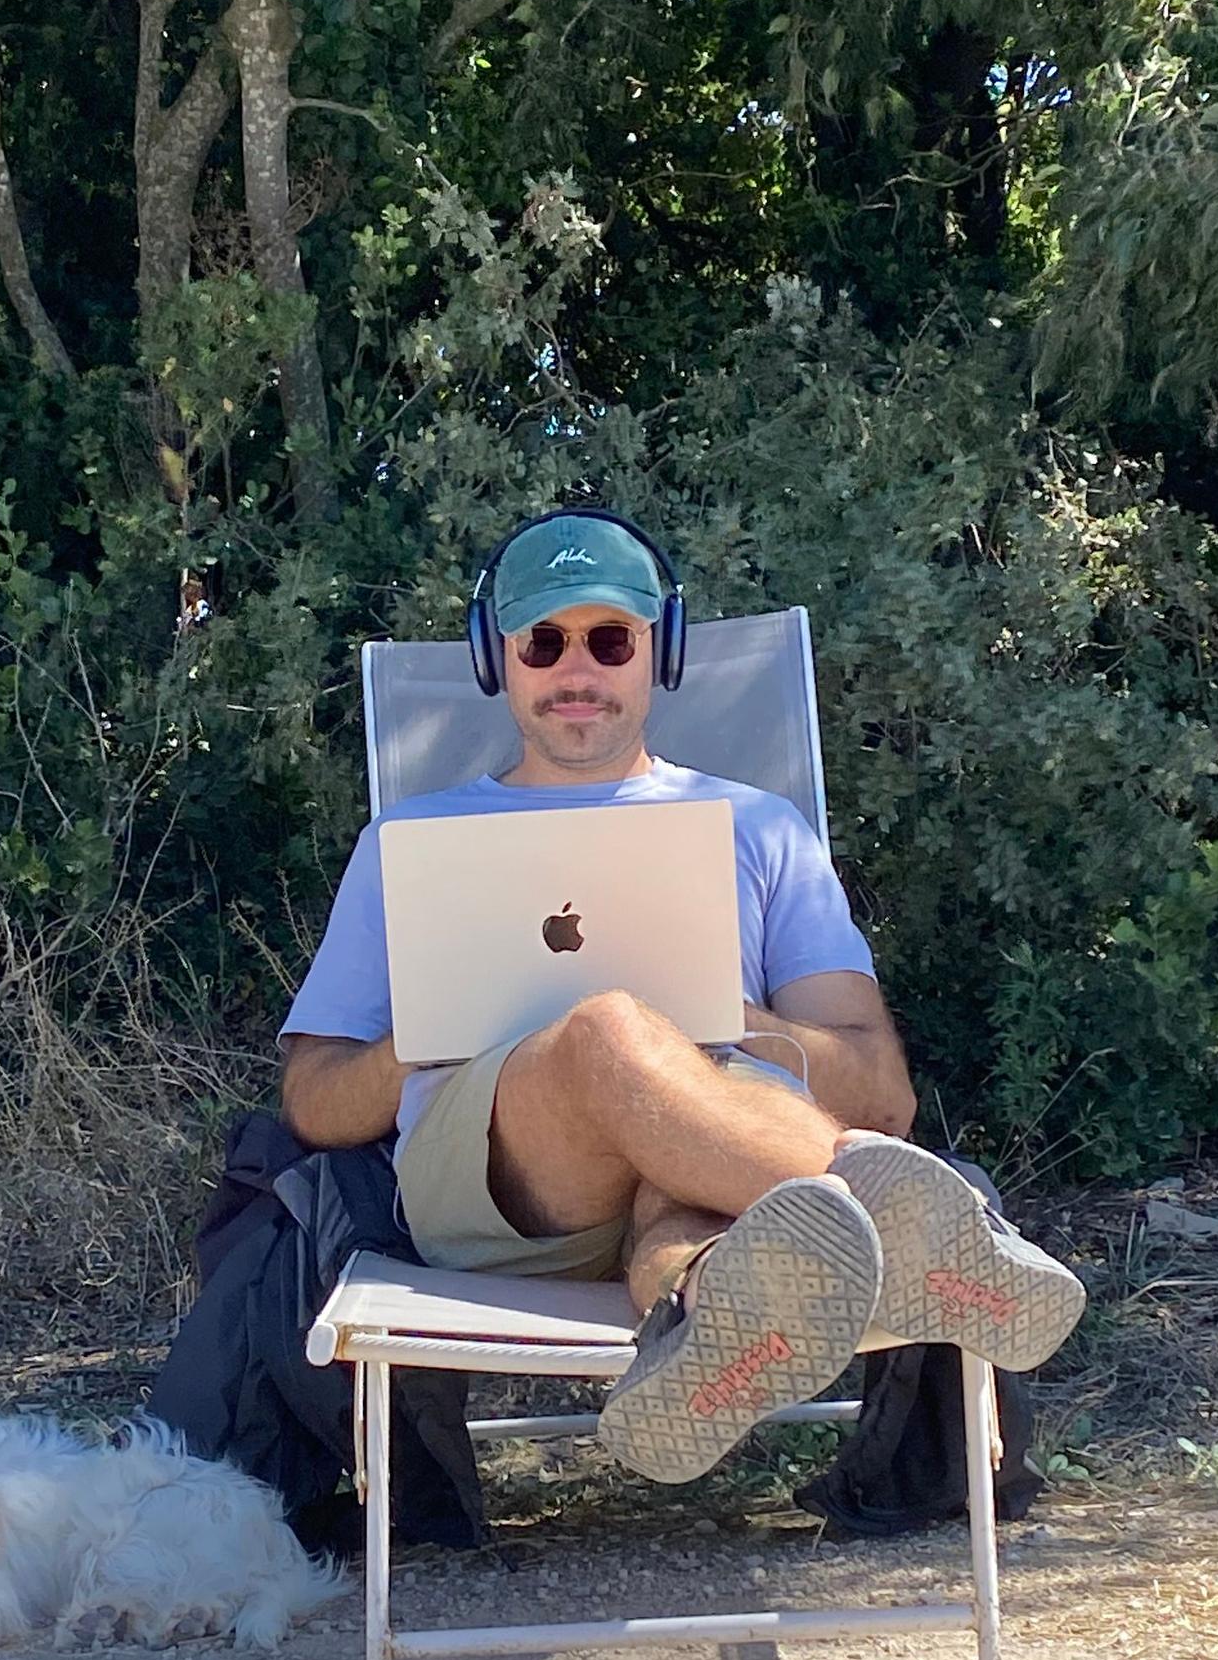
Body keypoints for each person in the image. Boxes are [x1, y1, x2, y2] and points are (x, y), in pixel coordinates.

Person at [279, 511, 1084, 1483]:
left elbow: (882, 1094)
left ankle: (689, 1312)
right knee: (609, 1031)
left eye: (609, 638)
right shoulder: (411, 842)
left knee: (672, 1135)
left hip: (712, 1174)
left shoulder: (759, 828)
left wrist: (720, 1014)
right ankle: (921, 1250)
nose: (576, 668)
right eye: (544, 640)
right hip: (502, 1190)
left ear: (658, 649)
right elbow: (314, 1102)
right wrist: (444, 1022)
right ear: (498, 656)